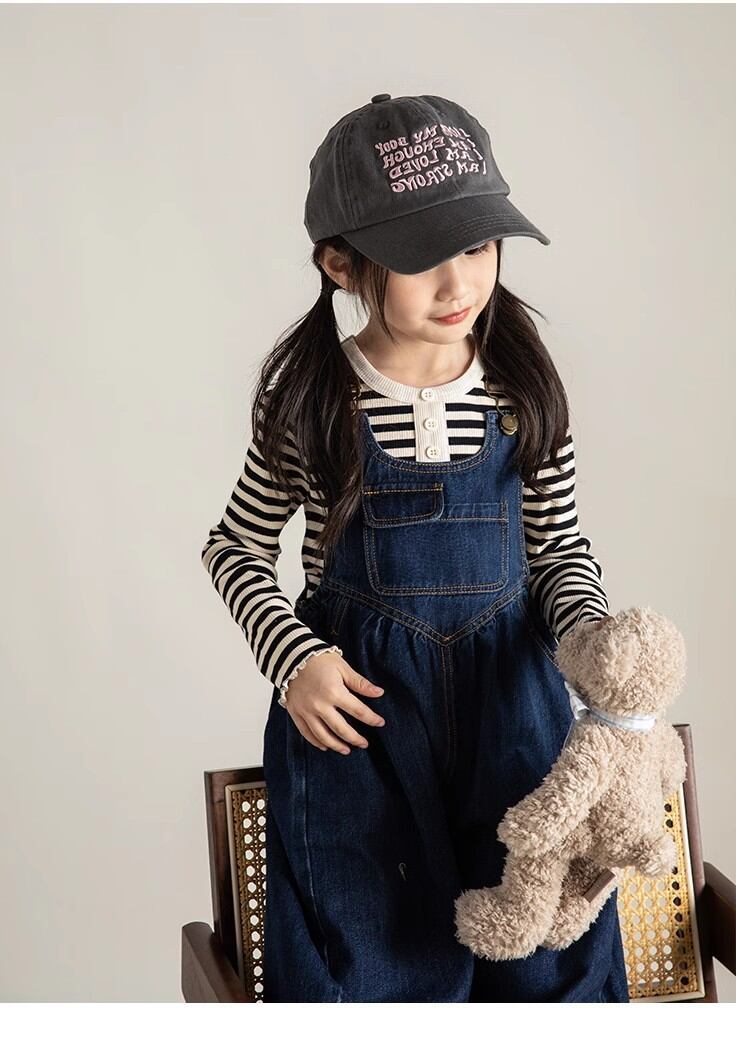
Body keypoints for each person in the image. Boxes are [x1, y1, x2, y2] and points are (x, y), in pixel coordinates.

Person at [200, 93, 630, 1003]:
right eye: (420, 257)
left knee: (546, 957)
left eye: (476, 246)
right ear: (340, 263)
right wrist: (296, 662)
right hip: (360, 737)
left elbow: (558, 550)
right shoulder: (312, 401)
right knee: (377, 960)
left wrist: (592, 642)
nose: (458, 283)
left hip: (514, 718)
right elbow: (235, 547)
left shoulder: (522, 391)